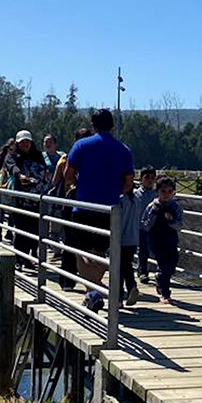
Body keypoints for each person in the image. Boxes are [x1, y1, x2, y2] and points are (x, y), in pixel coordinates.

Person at [64, 109, 135, 309]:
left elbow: (68, 173)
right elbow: (129, 182)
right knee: (101, 253)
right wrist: (114, 192)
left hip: (83, 207)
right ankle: (94, 292)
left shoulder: (81, 145)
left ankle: (92, 292)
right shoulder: (123, 150)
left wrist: (78, 187)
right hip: (109, 210)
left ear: (93, 126)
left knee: (81, 252)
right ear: (112, 126)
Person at [4, 130, 51, 268]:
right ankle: (20, 258)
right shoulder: (13, 156)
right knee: (22, 230)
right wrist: (20, 176)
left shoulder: (37, 155)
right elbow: (11, 166)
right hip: (21, 199)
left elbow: (43, 169)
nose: (25, 144)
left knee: (35, 230)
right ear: (18, 143)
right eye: (22, 142)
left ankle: (29, 257)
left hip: (37, 198)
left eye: (28, 141)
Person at [58, 128, 92, 291]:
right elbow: (60, 179)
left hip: (85, 203)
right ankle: (67, 280)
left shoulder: (90, 158)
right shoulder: (67, 158)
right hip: (72, 202)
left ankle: (86, 280)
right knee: (71, 242)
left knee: (85, 244)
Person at [141, 176, 183, 305]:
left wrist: (170, 220)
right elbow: (145, 225)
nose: (166, 194)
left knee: (172, 264)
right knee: (164, 265)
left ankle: (160, 278)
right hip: (156, 240)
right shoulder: (151, 206)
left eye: (170, 191)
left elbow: (180, 225)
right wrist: (154, 215)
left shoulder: (175, 206)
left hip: (171, 239)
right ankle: (165, 293)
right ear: (157, 192)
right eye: (163, 191)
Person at [134, 166, 157, 284]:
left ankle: (161, 273)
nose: (149, 180)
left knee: (157, 249)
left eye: (152, 178)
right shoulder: (135, 194)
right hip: (139, 226)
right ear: (141, 179)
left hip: (154, 227)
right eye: (147, 177)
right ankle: (142, 272)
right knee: (142, 250)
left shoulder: (156, 194)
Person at [119, 187, 141, 307]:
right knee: (126, 264)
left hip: (120, 238)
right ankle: (131, 286)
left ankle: (119, 297)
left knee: (118, 269)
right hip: (133, 238)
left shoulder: (120, 199)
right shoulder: (136, 198)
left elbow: (119, 220)